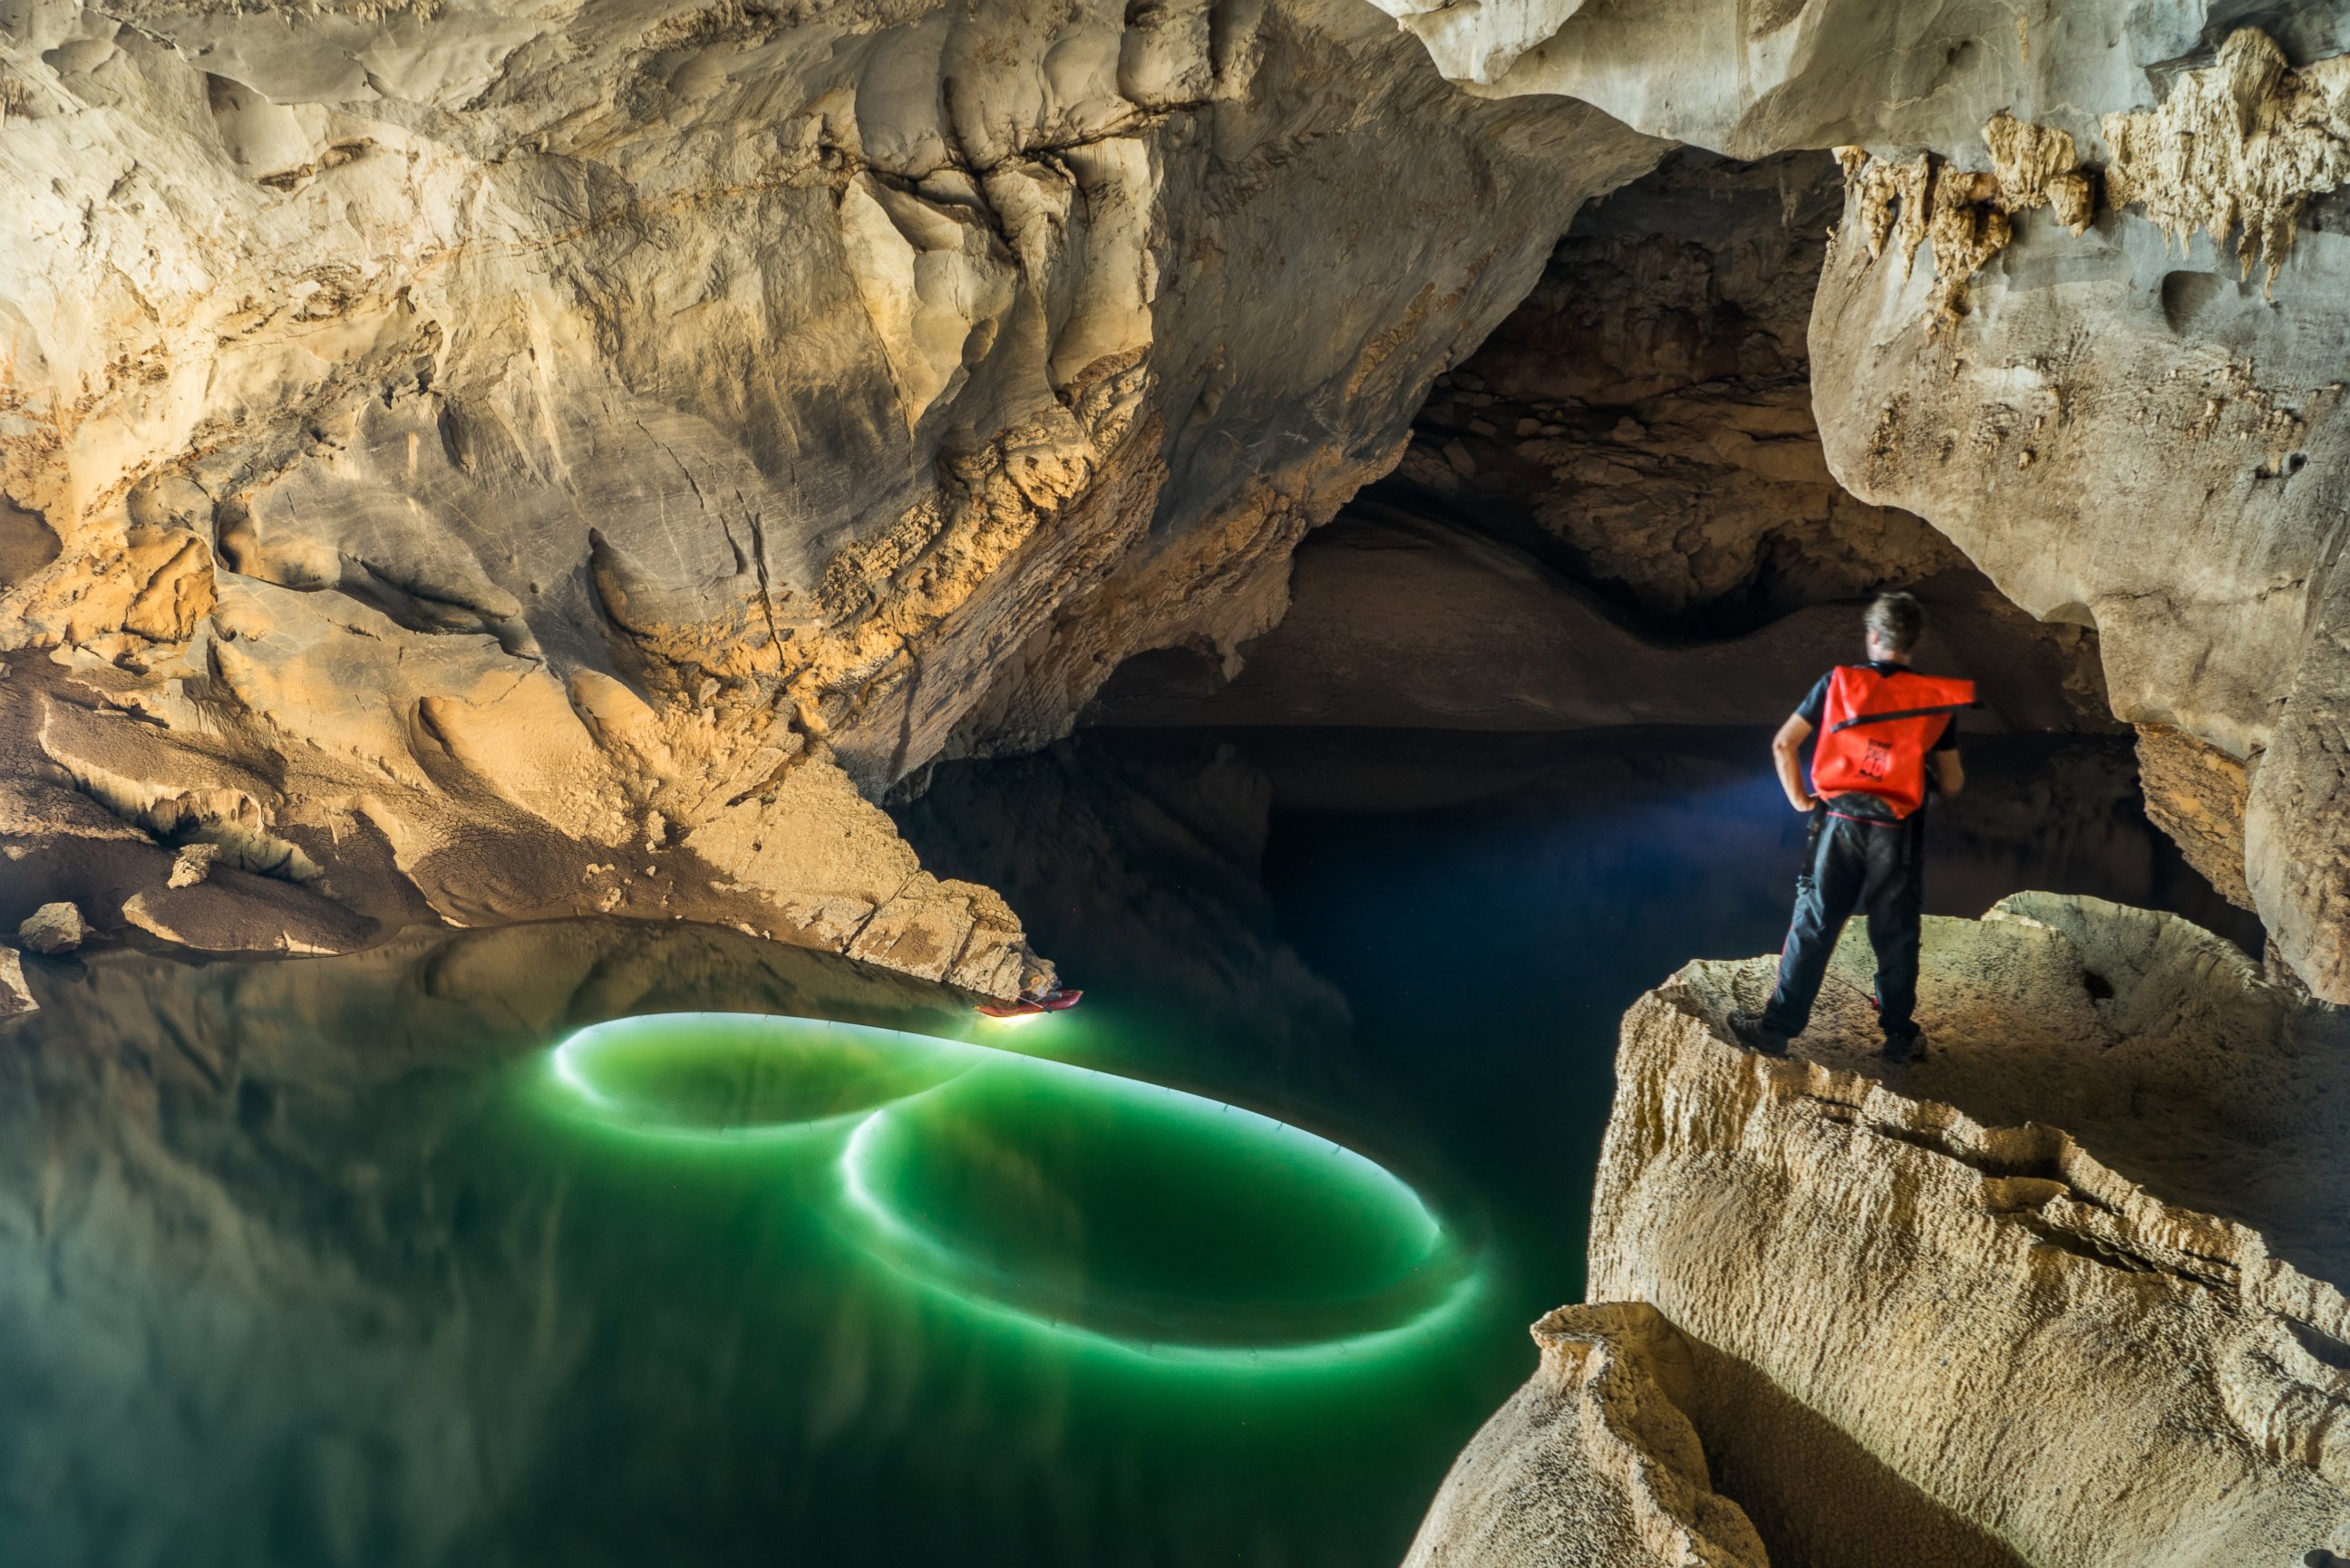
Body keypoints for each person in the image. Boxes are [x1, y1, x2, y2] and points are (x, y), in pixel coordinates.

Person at [1728, 592, 1973, 1063]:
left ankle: (1777, 1030)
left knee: (1815, 925)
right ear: (1913, 642)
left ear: (1873, 637)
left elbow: (1783, 745)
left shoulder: (1836, 682)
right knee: (1895, 931)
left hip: (1836, 824)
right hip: (1895, 834)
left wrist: (1801, 799)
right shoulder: (1932, 700)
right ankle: (1899, 1037)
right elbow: (1953, 781)